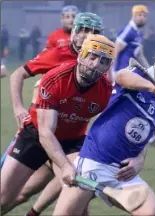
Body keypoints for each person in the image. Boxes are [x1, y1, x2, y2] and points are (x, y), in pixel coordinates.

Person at [53, 44, 155, 216]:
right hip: (93, 163)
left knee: (151, 213)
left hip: (124, 173)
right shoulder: (138, 73)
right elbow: (121, 76)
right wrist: (153, 87)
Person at [1, 12, 104, 216]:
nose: (87, 35)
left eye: (93, 32)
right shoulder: (57, 54)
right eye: (83, 29)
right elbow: (17, 74)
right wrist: (19, 108)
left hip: (70, 142)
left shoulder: (101, 64)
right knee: (9, 197)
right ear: (73, 31)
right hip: (37, 134)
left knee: (78, 201)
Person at [112, 5, 150, 82]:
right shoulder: (129, 31)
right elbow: (115, 50)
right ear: (133, 16)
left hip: (131, 71)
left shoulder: (138, 33)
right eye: (139, 15)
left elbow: (140, 55)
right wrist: (112, 72)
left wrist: (149, 70)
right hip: (121, 71)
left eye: (144, 16)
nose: (142, 18)